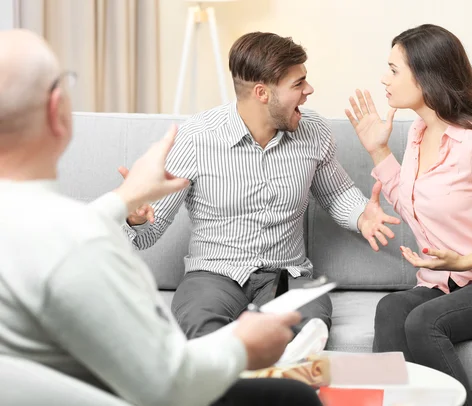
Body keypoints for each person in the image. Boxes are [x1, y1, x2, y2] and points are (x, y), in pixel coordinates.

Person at [0, 29, 322, 406]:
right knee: (294, 399)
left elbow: (57, 231)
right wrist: (243, 345)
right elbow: (168, 386)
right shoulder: (79, 247)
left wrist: (124, 199)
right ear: (57, 110)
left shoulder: (54, 231)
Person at [123, 31, 400, 348]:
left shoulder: (314, 131)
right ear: (262, 93)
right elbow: (149, 230)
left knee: (311, 327)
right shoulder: (195, 138)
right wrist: (135, 218)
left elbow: (337, 194)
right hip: (214, 274)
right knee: (203, 333)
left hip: (288, 275)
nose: (309, 90)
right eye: (298, 84)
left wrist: (363, 216)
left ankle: (287, 389)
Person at [345, 24, 472, 406]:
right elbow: (414, 208)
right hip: (447, 283)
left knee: (424, 321)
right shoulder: (418, 134)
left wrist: (469, 259)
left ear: (425, 75)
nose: (383, 78)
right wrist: (377, 151)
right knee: (391, 308)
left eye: (393, 69)